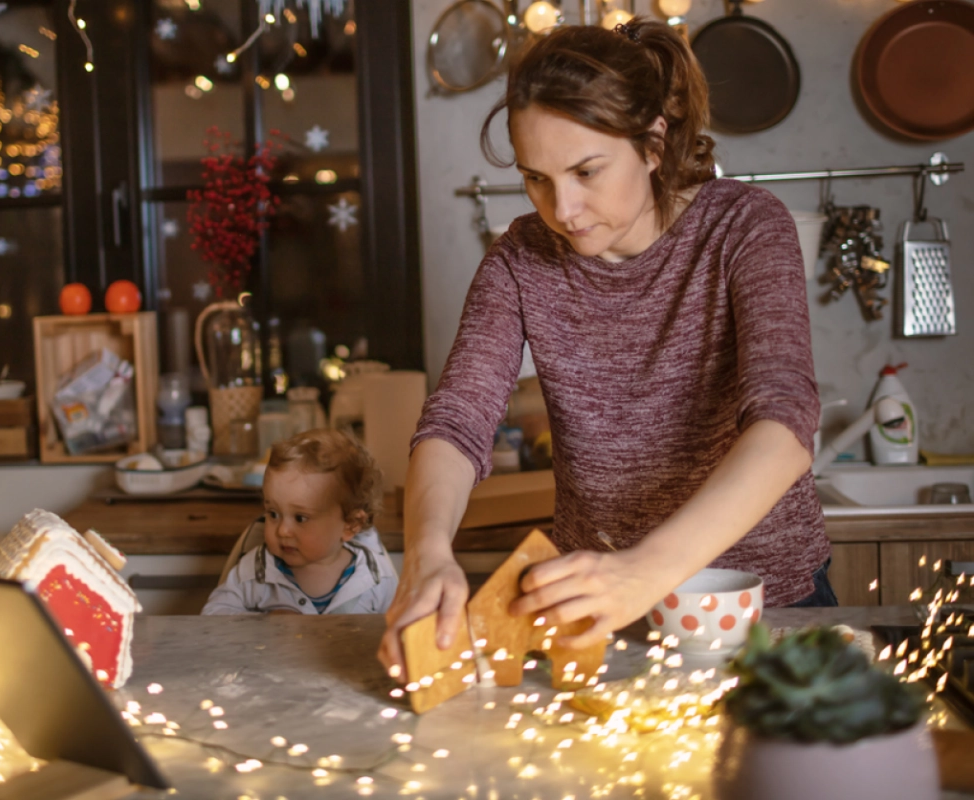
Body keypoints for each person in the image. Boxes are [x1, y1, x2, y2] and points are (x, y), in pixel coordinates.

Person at [378, 18, 834, 674]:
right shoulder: (520, 259)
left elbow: (786, 422)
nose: (562, 208)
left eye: (587, 171)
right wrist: (425, 559)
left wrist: (645, 569)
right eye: (536, 178)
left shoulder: (744, 227)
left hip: (763, 605)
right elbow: (457, 422)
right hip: (596, 610)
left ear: (653, 142)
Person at [203, 428, 398, 615]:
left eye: (300, 518)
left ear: (350, 524)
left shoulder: (377, 579)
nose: (283, 531)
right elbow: (212, 617)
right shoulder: (255, 570)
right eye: (273, 514)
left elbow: (404, 632)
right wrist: (263, 625)